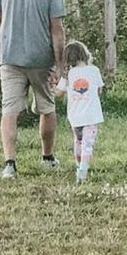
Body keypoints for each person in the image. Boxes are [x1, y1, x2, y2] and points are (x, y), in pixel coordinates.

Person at [0, 0, 66, 179]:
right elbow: (57, 31)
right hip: (40, 58)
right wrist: (60, 65)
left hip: (10, 56)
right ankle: (47, 157)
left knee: (9, 110)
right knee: (46, 107)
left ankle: (9, 163)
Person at [54, 40, 105, 184]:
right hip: (91, 115)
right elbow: (99, 90)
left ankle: (78, 166)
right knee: (88, 144)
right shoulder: (94, 70)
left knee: (78, 141)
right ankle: (83, 170)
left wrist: (51, 87)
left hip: (75, 116)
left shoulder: (68, 74)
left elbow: (59, 93)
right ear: (85, 54)